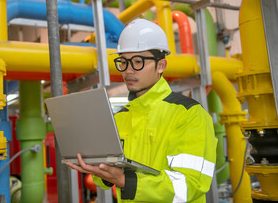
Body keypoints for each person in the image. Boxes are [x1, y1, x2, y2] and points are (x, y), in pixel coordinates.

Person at [66, 19, 217, 202]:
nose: (128, 71)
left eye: (138, 62)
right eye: (123, 62)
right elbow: (107, 178)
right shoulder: (121, 117)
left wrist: (124, 180)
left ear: (161, 65)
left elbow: (190, 185)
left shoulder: (189, 114)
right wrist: (99, 169)